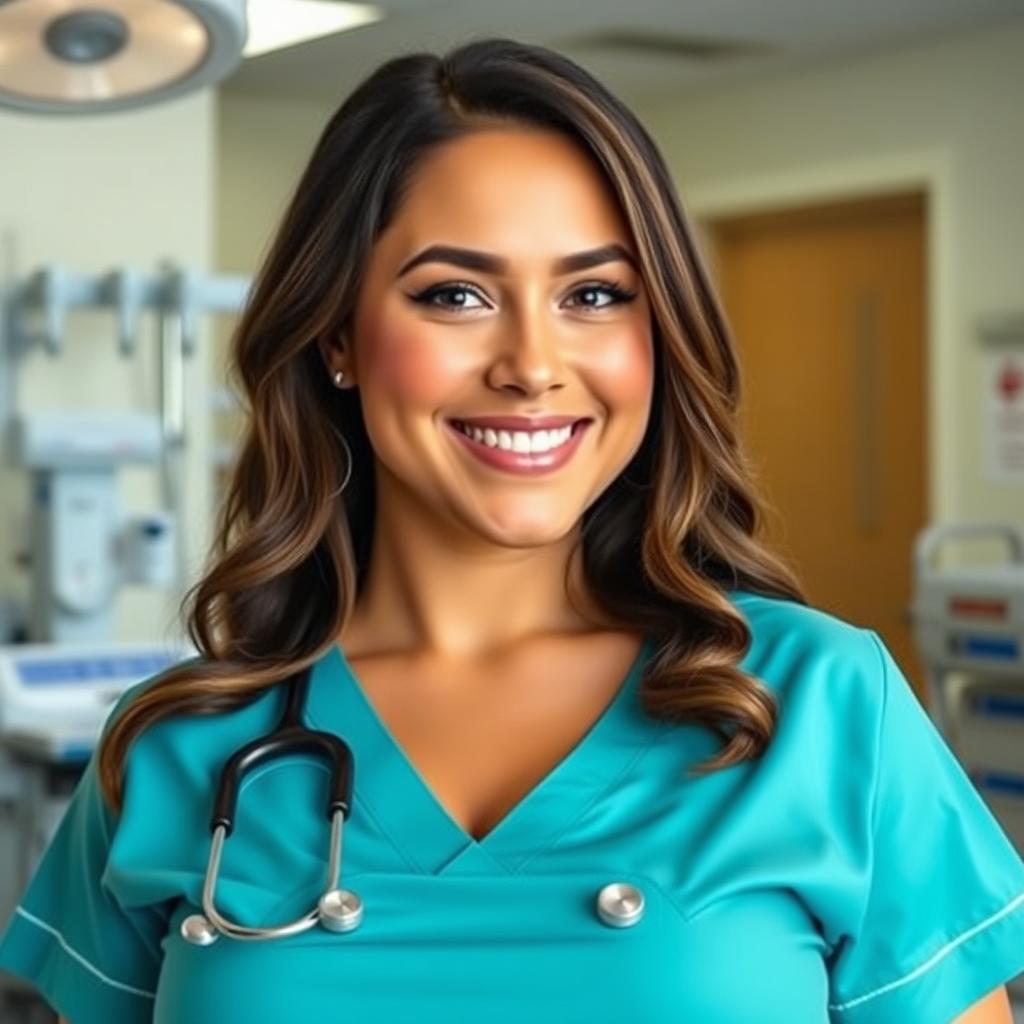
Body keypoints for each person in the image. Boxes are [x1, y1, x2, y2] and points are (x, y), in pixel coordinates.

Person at [1, 36, 1023, 1024]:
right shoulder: (179, 745)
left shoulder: (820, 705)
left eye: (593, 294)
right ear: (336, 339)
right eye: (455, 294)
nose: (532, 363)